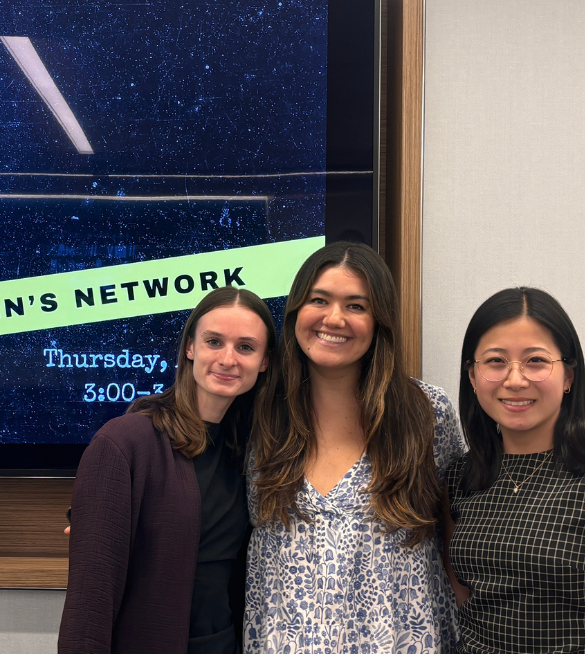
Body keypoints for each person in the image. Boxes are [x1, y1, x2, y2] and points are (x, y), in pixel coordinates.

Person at [245, 241, 466, 653]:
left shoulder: (426, 414)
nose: (334, 318)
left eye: (356, 306)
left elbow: (457, 546)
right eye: (319, 300)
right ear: (296, 310)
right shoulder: (259, 416)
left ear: (379, 320)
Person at [59, 286, 278, 654]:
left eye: (245, 347)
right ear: (190, 348)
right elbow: (89, 608)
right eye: (213, 341)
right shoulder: (126, 441)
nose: (228, 359)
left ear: (265, 361)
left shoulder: (253, 451)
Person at [445, 287, 585, 652]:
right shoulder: (459, 478)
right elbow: (464, 596)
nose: (516, 379)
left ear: (569, 376)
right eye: (495, 361)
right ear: (473, 378)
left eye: (536, 360)